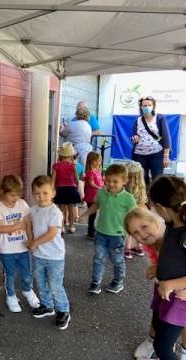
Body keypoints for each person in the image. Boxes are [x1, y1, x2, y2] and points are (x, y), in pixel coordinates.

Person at [146, 176, 186, 359]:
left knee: (162, 346)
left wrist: (172, 284)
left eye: (155, 208)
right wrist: (158, 267)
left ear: (161, 207)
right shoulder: (172, 224)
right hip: (165, 293)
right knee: (159, 332)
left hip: (179, 298)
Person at [80, 163, 136, 295]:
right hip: (100, 233)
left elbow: (134, 216)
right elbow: (96, 206)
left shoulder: (128, 198)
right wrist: (85, 214)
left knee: (117, 259)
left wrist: (133, 233)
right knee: (98, 258)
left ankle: (118, 280)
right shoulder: (101, 192)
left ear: (124, 181)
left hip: (117, 235)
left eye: (115, 181)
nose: (111, 184)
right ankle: (95, 282)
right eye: (108, 180)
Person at [0, 175, 40, 313]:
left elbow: (28, 224)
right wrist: (18, 226)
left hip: (22, 247)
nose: (16, 198)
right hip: (6, 250)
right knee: (10, 274)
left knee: (26, 272)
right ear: (3, 192)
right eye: (13, 195)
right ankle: (11, 296)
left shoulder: (22, 204)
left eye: (18, 195)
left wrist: (31, 240)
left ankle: (28, 291)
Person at [28, 175, 71, 330]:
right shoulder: (33, 210)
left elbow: (52, 233)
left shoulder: (55, 212)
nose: (41, 197)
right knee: (40, 282)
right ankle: (47, 305)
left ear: (53, 193)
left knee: (55, 284)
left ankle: (63, 310)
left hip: (55, 257)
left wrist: (34, 242)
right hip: (39, 255)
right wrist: (28, 236)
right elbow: (27, 223)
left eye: (45, 193)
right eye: (37, 194)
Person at [131, 96, 171, 186]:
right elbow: (134, 136)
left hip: (156, 153)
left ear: (153, 106)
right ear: (141, 107)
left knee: (157, 179)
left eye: (149, 105)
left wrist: (166, 156)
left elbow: (166, 137)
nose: (147, 107)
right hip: (140, 154)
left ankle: (156, 199)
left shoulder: (160, 118)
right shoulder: (137, 121)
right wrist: (134, 138)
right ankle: (144, 198)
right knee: (141, 179)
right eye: (144, 105)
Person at [52, 142, 81, 234]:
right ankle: (72, 225)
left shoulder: (56, 166)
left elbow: (53, 180)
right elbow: (77, 179)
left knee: (61, 209)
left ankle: (62, 226)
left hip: (60, 189)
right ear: (70, 155)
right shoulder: (73, 165)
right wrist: (76, 188)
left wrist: (52, 189)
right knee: (71, 208)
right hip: (71, 188)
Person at [124, 161, 147, 259]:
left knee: (129, 230)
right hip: (140, 210)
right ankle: (139, 248)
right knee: (139, 228)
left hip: (128, 211)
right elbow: (144, 200)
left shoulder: (125, 187)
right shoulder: (142, 186)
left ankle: (128, 249)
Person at [83, 152, 104, 239]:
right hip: (91, 196)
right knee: (92, 214)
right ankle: (90, 232)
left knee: (95, 214)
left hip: (97, 196)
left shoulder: (98, 171)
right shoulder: (90, 172)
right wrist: (100, 187)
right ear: (90, 161)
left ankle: (93, 230)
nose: (98, 162)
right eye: (95, 161)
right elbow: (91, 184)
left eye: (99, 161)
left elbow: (101, 182)